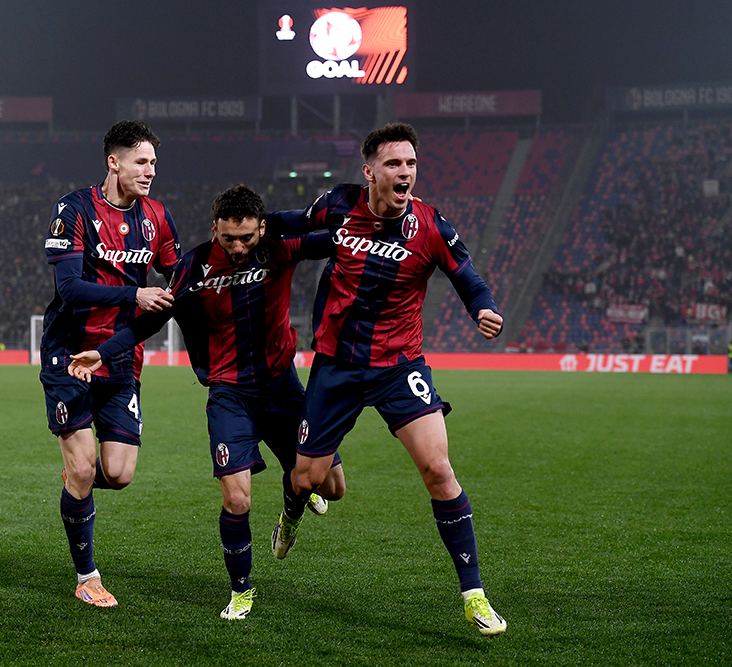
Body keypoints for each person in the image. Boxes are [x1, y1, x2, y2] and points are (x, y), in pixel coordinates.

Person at [265, 123, 508, 637]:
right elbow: (290, 222)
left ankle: (474, 595)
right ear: (370, 171)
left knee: (439, 470)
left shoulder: (431, 226)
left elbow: (469, 279)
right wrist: (248, 228)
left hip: (400, 365)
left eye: (411, 164)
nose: (405, 173)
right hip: (337, 365)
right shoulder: (339, 204)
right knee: (307, 479)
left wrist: (483, 309)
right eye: (394, 164)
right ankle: (290, 515)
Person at [68, 184, 345, 620]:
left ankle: (292, 507)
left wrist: (382, 210)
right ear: (214, 228)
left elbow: (343, 235)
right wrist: (103, 352)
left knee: (333, 487)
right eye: (228, 237)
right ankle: (241, 591)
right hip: (229, 395)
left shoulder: (280, 247)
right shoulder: (194, 266)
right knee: (237, 499)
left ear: (262, 228)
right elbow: (153, 318)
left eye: (246, 237)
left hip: (282, 389)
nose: (237, 247)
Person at [39, 120, 182, 607]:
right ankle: (87, 577)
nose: (150, 171)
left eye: (154, 163)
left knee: (118, 473)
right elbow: (68, 288)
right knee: (83, 469)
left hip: (121, 357)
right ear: (113, 162)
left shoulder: (157, 216)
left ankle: (75, 482)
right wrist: (134, 294)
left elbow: (178, 279)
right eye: (141, 162)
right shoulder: (74, 209)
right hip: (68, 354)